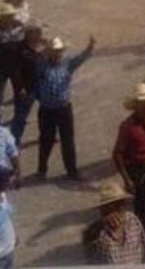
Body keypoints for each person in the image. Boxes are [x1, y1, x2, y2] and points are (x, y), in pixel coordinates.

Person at [35, 36, 96, 180]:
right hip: (47, 109)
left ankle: (71, 171)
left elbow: (82, 58)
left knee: (67, 140)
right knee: (46, 140)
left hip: (63, 108)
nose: (57, 54)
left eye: (59, 51)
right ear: (49, 52)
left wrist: (90, 47)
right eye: (54, 51)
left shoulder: (67, 63)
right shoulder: (41, 64)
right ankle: (42, 169)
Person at [83, 182, 145, 264]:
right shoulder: (97, 234)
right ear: (103, 210)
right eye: (115, 206)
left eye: (122, 203)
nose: (121, 207)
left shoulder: (133, 221)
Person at [112, 83, 145, 193]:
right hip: (137, 168)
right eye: (141, 103)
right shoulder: (127, 127)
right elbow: (117, 154)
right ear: (135, 105)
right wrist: (127, 180)